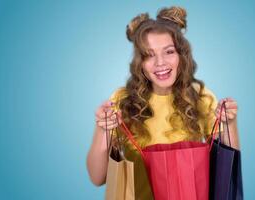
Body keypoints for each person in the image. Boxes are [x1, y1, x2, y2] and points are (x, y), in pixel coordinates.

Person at [86, 6, 240, 199]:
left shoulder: (201, 97)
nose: (160, 63)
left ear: (181, 56)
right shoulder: (122, 100)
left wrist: (229, 124)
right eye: (149, 55)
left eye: (169, 51)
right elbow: (97, 177)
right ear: (140, 63)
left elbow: (227, 171)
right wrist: (103, 129)